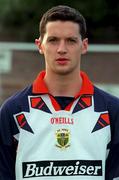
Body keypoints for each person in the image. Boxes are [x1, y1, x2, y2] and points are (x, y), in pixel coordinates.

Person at [0, 5, 119, 180]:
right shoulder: (14, 110)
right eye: (53, 40)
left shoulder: (111, 110)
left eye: (71, 40)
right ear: (40, 45)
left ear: (84, 46)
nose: (61, 49)